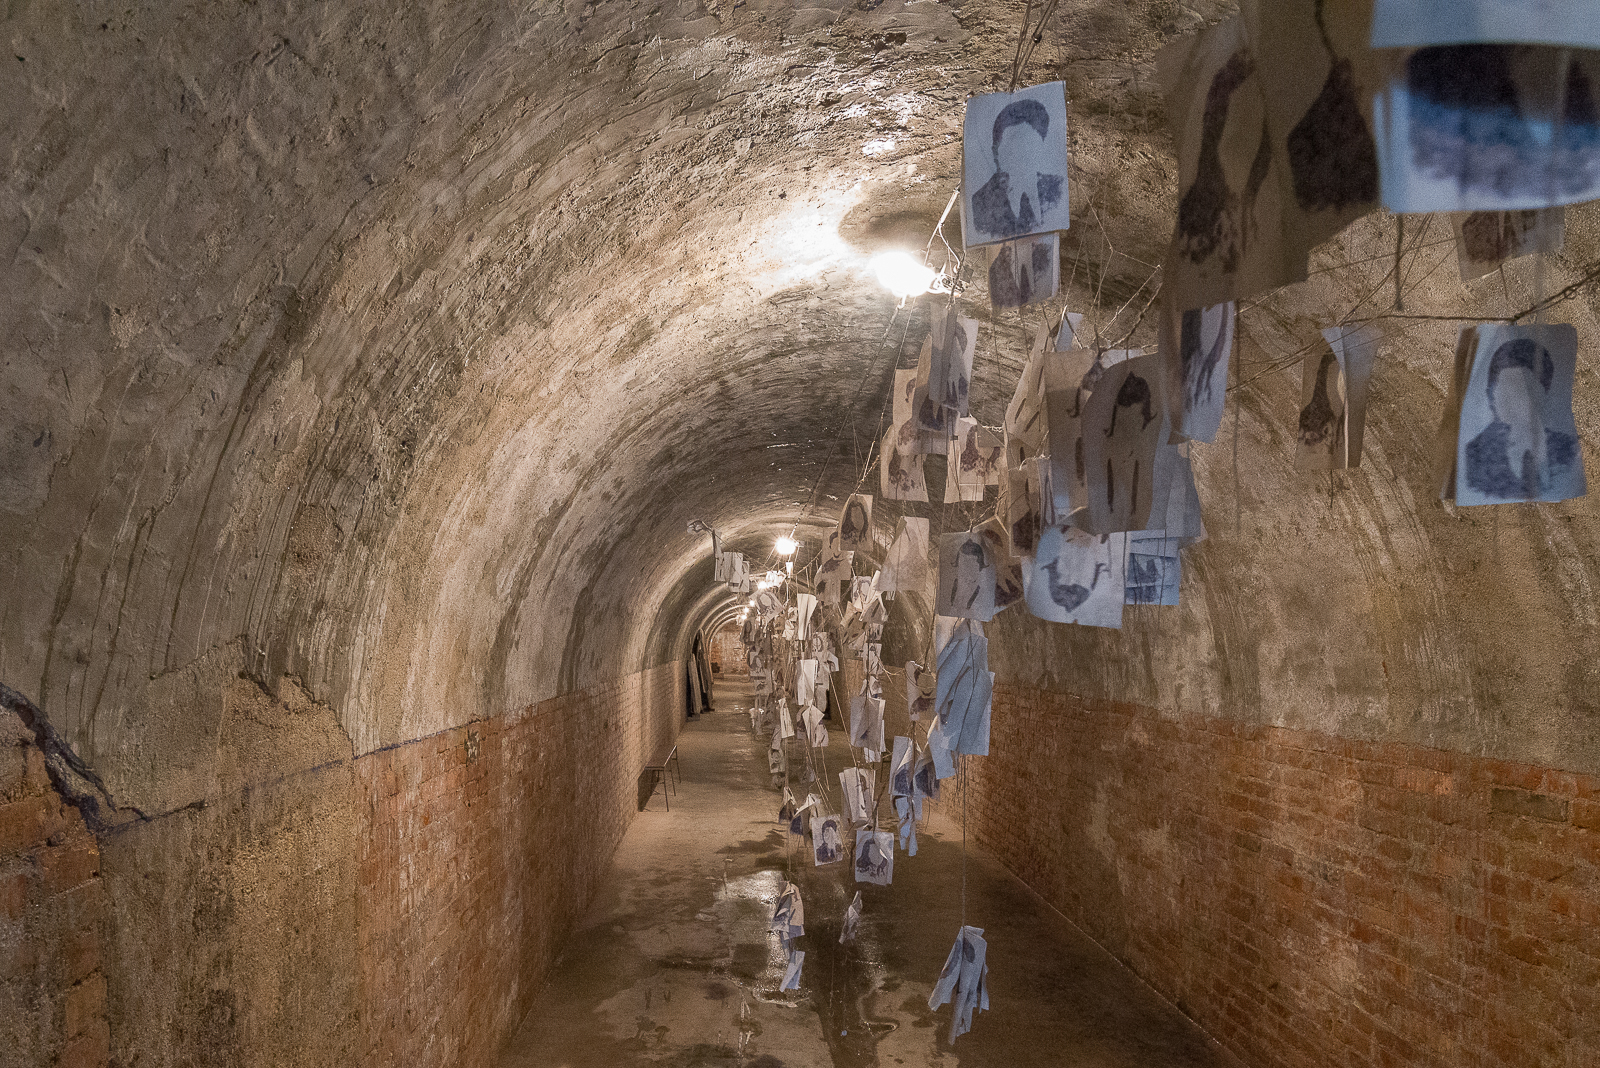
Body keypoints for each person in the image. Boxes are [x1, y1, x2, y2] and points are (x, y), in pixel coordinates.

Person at [1464, 337, 1579, 500]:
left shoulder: (1569, 451)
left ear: (1542, 396)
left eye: (1519, 392)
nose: (1508, 402)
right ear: (1491, 395)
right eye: (1501, 389)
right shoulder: (1473, 455)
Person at [970, 98, 1065, 240]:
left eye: (1025, 146)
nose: (1018, 155)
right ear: (996, 151)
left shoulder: (1057, 190)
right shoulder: (980, 204)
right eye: (1010, 146)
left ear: (1040, 147)